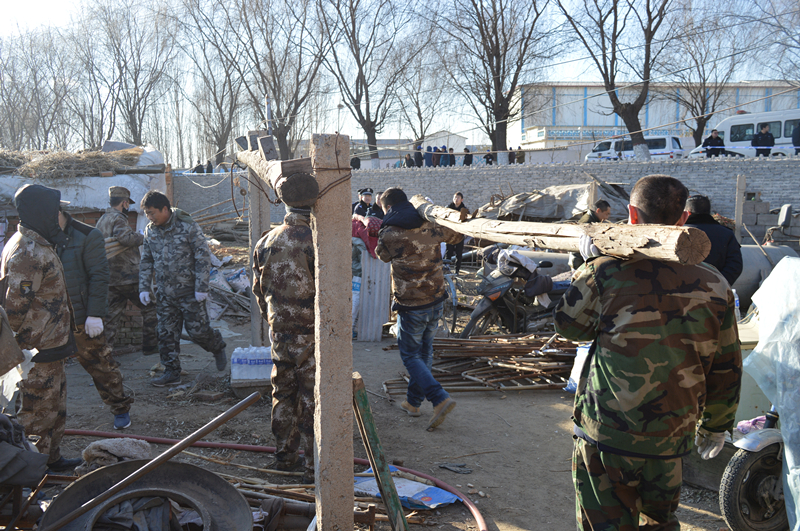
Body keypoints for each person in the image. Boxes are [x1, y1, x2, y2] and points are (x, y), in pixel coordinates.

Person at [555, 175, 742, 531]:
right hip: (672, 435)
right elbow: (727, 364)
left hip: (608, 433)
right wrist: (717, 425)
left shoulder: (606, 269)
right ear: (684, 220)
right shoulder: (716, 283)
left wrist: (584, 266)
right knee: (659, 523)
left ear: (630, 215)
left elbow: (568, 327)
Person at [1, 184, 82, 473]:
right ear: (41, 211)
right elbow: (14, 309)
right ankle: (29, 472)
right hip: (36, 350)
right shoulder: (28, 252)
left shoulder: (38, 242)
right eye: (55, 210)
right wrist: (18, 354)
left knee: (55, 408)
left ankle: (51, 458)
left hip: (51, 345)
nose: (59, 216)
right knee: (36, 413)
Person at [375, 188, 463, 430]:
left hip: (412, 304)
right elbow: (455, 236)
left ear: (388, 207)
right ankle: (413, 403)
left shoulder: (390, 233)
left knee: (411, 355)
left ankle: (439, 398)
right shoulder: (429, 224)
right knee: (424, 352)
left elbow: (381, 255)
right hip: (436, 299)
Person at [252, 204, 316, 483]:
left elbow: (258, 288)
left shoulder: (266, 240)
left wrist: (273, 318)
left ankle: (284, 456)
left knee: (283, 391)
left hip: (279, 331)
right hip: (309, 332)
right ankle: (313, 465)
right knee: (311, 396)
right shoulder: (316, 240)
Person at [138, 191, 227, 387]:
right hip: (165, 294)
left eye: (152, 213)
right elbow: (146, 260)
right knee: (166, 333)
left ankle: (217, 346)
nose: (149, 217)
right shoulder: (150, 230)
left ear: (164, 209)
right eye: (146, 213)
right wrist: (144, 287)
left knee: (198, 332)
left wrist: (201, 286)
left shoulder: (188, 226)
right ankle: (172, 372)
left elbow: (202, 257)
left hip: (190, 293)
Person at [56, 207, 134, 430]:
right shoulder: (39, 236)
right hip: (51, 318)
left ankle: (120, 407)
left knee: (101, 365)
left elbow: (99, 276)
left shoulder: (86, 235)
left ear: (59, 212)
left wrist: (95, 314)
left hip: (81, 316)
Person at [96, 187, 158, 357]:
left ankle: (103, 356)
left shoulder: (102, 220)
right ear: (124, 202)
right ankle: (151, 348)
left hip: (110, 279)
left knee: (110, 319)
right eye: (127, 204)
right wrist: (142, 236)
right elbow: (126, 238)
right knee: (151, 308)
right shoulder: (118, 218)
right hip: (128, 277)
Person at [684, 195, 743, 286]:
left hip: (681, 292)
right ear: (709, 212)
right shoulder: (726, 234)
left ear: (688, 212)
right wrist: (717, 285)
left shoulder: (677, 233)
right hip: (715, 293)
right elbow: (735, 266)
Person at [568, 199, 611, 271]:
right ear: (598, 211)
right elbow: (577, 247)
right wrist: (578, 267)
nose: (607, 217)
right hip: (579, 263)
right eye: (606, 214)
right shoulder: (587, 223)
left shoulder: (592, 219)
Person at [445, 192, 469, 274]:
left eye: (458, 198)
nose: (456, 199)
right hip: (450, 234)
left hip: (459, 235)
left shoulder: (465, 210)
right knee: (449, 252)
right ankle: (446, 268)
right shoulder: (448, 208)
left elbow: (467, 222)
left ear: (461, 199)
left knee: (459, 254)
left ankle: (457, 271)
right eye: (455, 197)